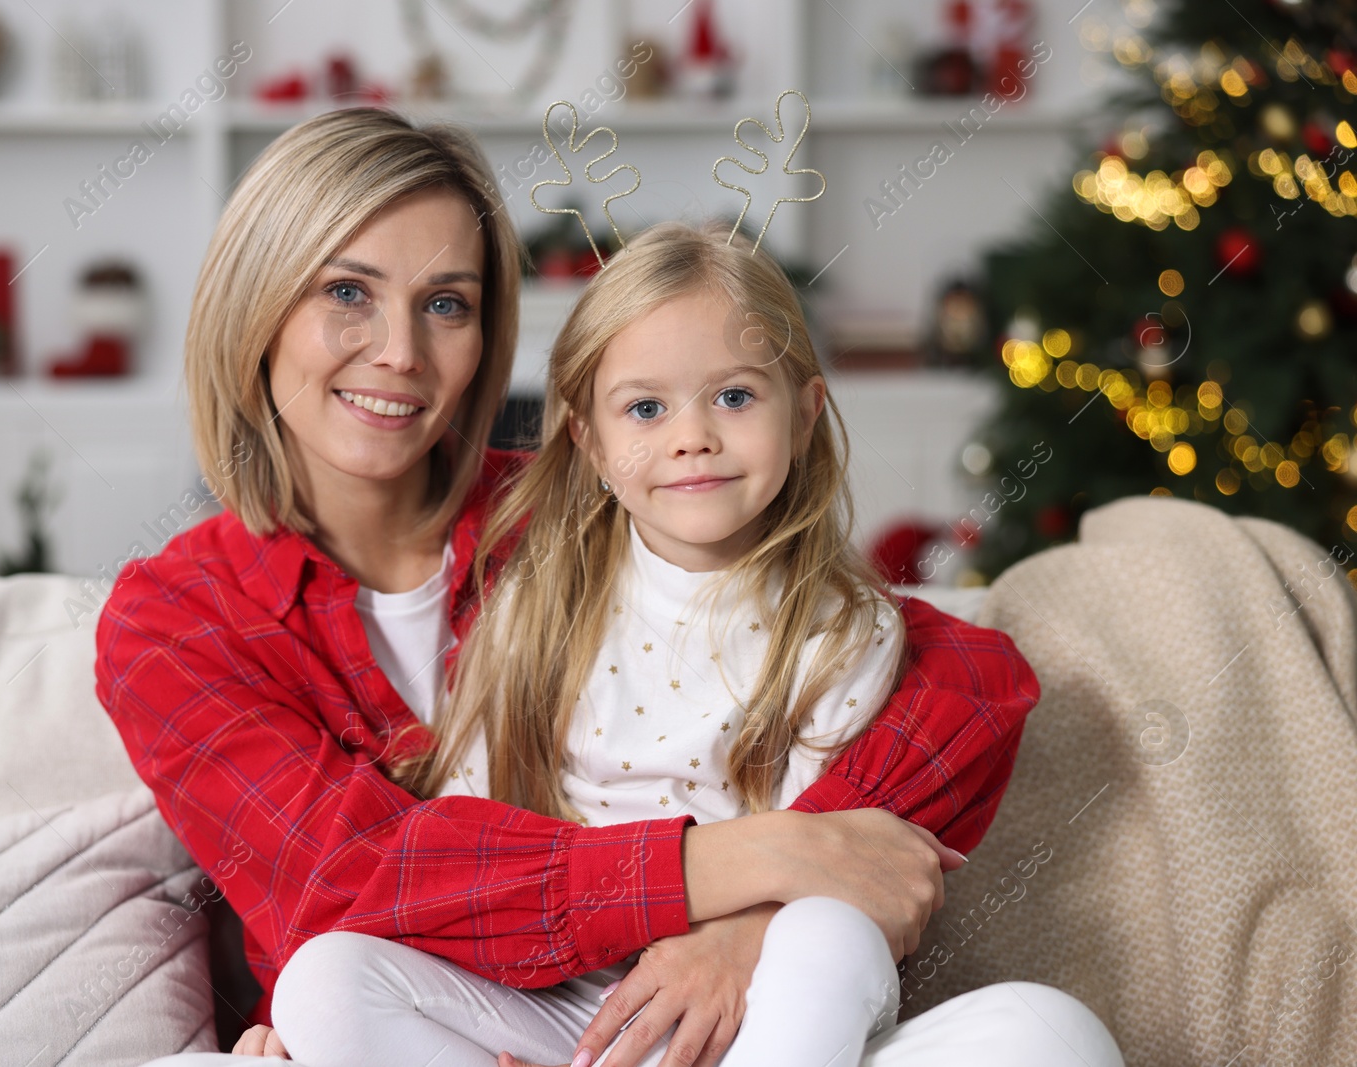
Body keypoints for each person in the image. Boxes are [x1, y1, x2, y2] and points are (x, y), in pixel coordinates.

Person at [98, 109, 1078, 1067]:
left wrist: (757, 926)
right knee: (311, 989)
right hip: (480, 1023)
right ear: (254, 306)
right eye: (346, 292)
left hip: (740, 1010)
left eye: (447, 302)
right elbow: (347, 878)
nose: (399, 349)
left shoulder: (573, 508)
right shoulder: (173, 617)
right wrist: (756, 862)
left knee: (1047, 1034)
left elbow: (966, 677)